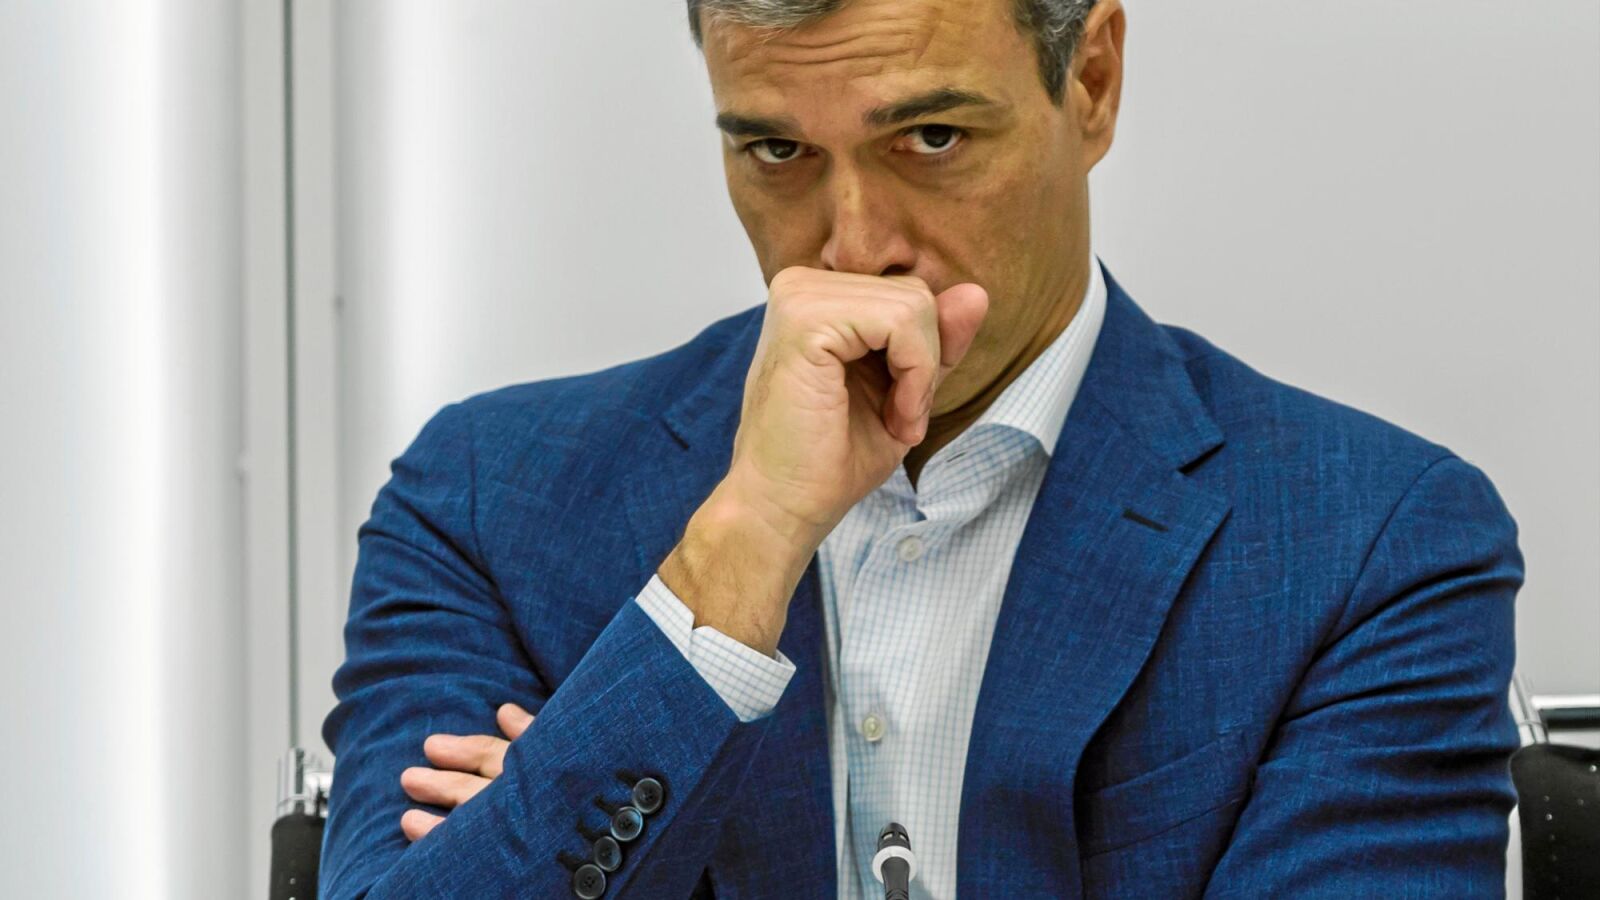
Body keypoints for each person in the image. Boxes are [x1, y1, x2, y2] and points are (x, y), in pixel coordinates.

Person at [318, 1, 1525, 897]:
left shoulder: (1370, 543)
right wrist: (734, 560)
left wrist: (549, 795)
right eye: (776, 152)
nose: (854, 248)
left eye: (932, 137)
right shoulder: (487, 501)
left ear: (1092, 81)